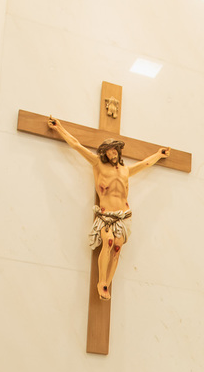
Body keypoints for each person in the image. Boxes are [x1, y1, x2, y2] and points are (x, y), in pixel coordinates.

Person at [46, 117, 170, 300]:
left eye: (115, 151)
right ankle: (101, 281)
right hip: (106, 215)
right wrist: (60, 129)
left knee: (118, 247)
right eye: (109, 151)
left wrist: (158, 155)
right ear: (105, 154)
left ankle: (107, 284)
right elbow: (77, 145)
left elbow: (144, 164)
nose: (112, 154)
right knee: (109, 242)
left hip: (123, 216)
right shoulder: (98, 164)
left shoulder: (126, 170)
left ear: (119, 152)